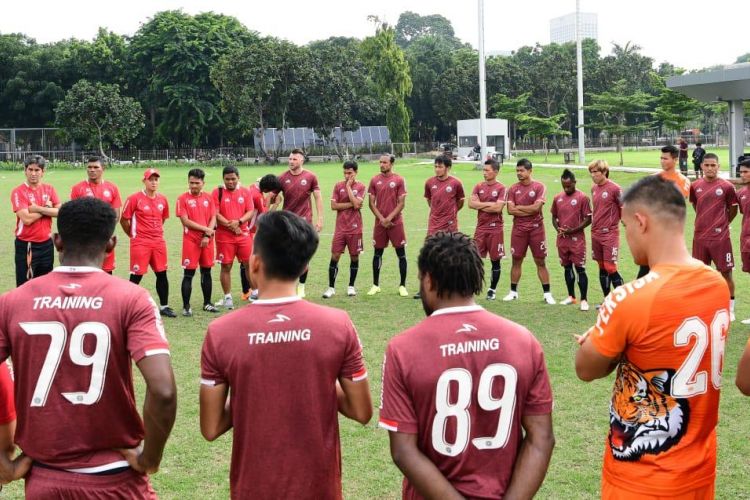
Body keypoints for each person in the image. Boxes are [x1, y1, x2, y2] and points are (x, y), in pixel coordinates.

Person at [0, 197, 176, 497]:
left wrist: (2, 460)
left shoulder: (12, 301)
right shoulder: (132, 298)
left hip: (45, 477)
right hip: (115, 477)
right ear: (111, 244)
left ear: (57, 242)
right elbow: (163, 391)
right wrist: (150, 458)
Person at [575, 175, 729, 500]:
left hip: (640, 480)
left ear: (640, 222)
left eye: (625, 227)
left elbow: (585, 368)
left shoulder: (630, 298)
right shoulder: (716, 284)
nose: (626, 236)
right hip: (699, 474)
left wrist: (608, 334)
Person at [199, 210, 372, 498]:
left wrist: (252, 390)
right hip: (320, 489)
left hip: (253, 489)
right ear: (304, 268)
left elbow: (211, 425)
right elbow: (361, 411)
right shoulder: (338, 324)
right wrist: (316, 380)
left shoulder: (221, 332)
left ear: (254, 264)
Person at [379, 231, 555, 499]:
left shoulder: (403, 348)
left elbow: (403, 451)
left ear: (428, 280)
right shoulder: (523, 340)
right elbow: (541, 439)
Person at [121, 168, 176, 318]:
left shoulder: (162, 199)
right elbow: (124, 219)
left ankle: (164, 306)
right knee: (136, 274)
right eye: (150, 179)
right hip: (140, 242)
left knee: (162, 273)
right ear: (144, 181)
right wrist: (132, 235)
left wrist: (155, 232)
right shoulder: (134, 198)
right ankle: (126, 307)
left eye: (156, 179)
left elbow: (162, 219)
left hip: (158, 241)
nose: (153, 182)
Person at [689, 153, 738, 321]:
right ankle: (703, 306)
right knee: (700, 274)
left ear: (718, 166)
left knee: (726, 272)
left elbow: (733, 210)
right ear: (702, 166)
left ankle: (730, 307)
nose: (710, 168)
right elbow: (697, 205)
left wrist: (722, 223)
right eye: (707, 165)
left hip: (720, 238)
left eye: (713, 165)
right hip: (700, 237)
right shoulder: (695, 186)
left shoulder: (727, 187)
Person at [503, 158, 555, 304]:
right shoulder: (513, 189)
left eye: (522, 170)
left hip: (536, 230)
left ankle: (547, 294)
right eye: (517, 171)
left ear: (530, 171)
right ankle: (513, 292)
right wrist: (527, 209)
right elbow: (510, 210)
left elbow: (536, 208)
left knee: (540, 261)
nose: (519, 173)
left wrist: (519, 208)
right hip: (518, 230)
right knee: (516, 260)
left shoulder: (539, 187)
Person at [636, 145, 691, 279]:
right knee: (645, 271)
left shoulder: (682, 181)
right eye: (661, 158)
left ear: (675, 160)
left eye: (665, 158)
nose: (662, 161)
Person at [414, 155, 465, 299]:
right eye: (435, 166)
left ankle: (452, 288)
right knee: (427, 256)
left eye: (440, 167)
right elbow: (430, 201)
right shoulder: (429, 182)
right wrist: (438, 213)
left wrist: (450, 214)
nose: (437, 169)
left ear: (448, 168)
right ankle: (424, 289)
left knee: (451, 257)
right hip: (434, 224)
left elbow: (460, 202)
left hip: (450, 225)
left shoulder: (456, 183)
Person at [277, 148, 323, 298]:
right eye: (290, 159)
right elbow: (273, 197)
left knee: (303, 257)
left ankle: (301, 287)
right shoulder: (282, 178)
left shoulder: (310, 177)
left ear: (302, 160)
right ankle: (287, 286)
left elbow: (317, 197)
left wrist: (320, 218)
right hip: (287, 223)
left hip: (304, 223)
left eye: (294, 159)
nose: (291, 161)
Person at [11, 155, 60, 286]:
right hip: (27, 245)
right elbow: (26, 219)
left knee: (45, 285)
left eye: (37, 170)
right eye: (30, 169)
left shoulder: (49, 189)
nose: (33, 173)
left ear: (43, 172)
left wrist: (38, 209)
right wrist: (47, 208)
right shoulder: (18, 192)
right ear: (25, 170)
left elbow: (60, 212)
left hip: (47, 244)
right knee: (25, 285)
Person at [176, 168, 219, 316]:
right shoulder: (182, 199)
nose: (193, 186)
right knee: (188, 274)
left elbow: (213, 217)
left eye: (196, 183)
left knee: (206, 272)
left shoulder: (208, 198)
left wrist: (207, 236)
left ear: (203, 183)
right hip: (191, 241)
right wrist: (206, 230)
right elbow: (186, 221)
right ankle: (186, 306)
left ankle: (207, 303)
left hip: (207, 241)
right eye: (191, 183)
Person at [212, 166, 255, 310]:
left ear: (238, 178)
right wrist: (232, 226)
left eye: (233, 179)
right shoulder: (217, 192)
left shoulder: (245, 191)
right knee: (226, 266)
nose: (230, 182)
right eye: (227, 179)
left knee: (249, 263)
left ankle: (255, 293)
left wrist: (240, 222)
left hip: (243, 235)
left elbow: (250, 211)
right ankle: (227, 296)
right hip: (224, 236)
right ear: (223, 179)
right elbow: (215, 214)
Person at [70, 156, 122, 274]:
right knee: (85, 273)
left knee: (106, 273)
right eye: (89, 167)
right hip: (84, 240)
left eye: (95, 167)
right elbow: (74, 215)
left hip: (104, 238)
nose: (92, 170)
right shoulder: (77, 188)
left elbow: (116, 216)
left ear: (103, 168)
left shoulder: (112, 188)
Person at [367, 154, 409, 297]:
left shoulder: (399, 179)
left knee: (401, 254)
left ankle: (402, 286)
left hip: (395, 223)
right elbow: (371, 203)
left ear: (391, 164)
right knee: (377, 253)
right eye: (380, 162)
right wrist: (382, 219)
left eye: (384, 162)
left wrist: (389, 218)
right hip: (380, 223)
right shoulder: (374, 180)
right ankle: (375, 285)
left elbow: (401, 203)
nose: (382, 165)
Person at [323, 161, 366, 298]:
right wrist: (353, 204)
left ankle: (351, 286)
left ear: (356, 172)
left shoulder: (361, 186)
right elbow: (333, 206)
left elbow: (357, 204)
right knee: (335, 256)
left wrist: (348, 187)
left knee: (354, 257)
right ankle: (331, 288)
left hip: (355, 228)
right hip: (340, 228)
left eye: (350, 173)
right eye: (345, 173)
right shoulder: (337, 185)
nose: (347, 176)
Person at [551, 169, 592, 311]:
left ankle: (584, 300)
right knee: (567, 267)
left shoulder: (583, 198)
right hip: (562, 240)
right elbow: (554, 217)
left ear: (574, 182)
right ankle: (571, 296)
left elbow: (588, 219)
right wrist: (558, 229)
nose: (566, 188)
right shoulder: (557, 198)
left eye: (569, 185)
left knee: (580, 269)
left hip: (577, 240)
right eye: (564, 186)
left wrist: (573, 230)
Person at [468, 158, 507, 300]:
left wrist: (481, 204)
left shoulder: (502, 188)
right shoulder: (478, 186)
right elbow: (471, 204)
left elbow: (498, 208)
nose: (484, 173)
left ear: (495, 172)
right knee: (474, 258)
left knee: (495, 260)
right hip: (481, 228)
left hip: (496, 229)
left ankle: (492, 290)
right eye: (483, 170)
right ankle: (472, 287)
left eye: (487, 170)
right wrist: (489, 205)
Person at [589, 160, 624, 304]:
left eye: (595, 172)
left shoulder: (615, 188)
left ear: (604, 172)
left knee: (610, 267)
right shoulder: (594, 188)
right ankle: (607, 300)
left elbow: (624, 206)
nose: (593, 175)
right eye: (591, 172)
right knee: (601, 266)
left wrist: (625, 222)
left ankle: (623, 301)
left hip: (609, 233)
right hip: (595, 232)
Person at [243, 174, 283, 301]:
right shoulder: (257, 196)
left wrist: (267, 200)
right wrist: (275, 204)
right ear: (266, 189)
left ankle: (249, 290)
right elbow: (265, 217)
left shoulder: (252, 188)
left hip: (247, 231)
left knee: (246, 263)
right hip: (250, 232)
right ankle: (255, 292)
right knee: (253, 262)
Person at [736, 158, 750, 325]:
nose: (743, 175)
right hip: (746, 241)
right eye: (741, 172)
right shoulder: (741, 193)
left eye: (746, 171)